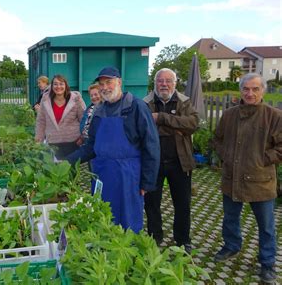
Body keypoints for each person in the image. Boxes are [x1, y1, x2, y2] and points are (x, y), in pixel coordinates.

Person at [67, 67, 160, 232]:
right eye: (101, 84)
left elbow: (151, 146)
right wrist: (67, 160)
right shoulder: (99, 111)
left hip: (128, 175)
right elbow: (91, 146)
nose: (104, 87)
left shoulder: (136, 107)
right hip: (101, 174)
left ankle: (128, 253)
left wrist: (147, 181)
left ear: (119, 82)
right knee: (103, 218)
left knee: (128, 220)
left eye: (108, 82)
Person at [213, 73, 281, 284]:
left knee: (266, 225)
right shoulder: (229, 115)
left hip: (261, 180)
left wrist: (262, 159)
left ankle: (268, 263)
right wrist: (226, 156)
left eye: (255, 89)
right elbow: (217, 139)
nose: (250, 93)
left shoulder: (274, 116)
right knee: (230, 218)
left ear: (263, 91)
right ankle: (231, 246)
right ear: (240, 91)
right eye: (246, 89)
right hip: (232, 178)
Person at [143, 68, 199, 254]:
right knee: (152, 204)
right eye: (160, 81)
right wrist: (176, 127)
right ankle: (154, 237)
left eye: (168, 81)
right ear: (155, 83)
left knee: (182, 205)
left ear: (175, 83)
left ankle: (183, 240)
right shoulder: (145, 103)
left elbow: (192, 125)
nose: (164, 84)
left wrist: (162, 118)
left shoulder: (184, 101)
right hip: (153, 162)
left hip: (179, 162)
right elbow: (143, 129)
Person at [35, 74, 85, 160]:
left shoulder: (76, 98)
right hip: (53, 143)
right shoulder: (45, 99)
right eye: (55, 84)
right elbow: (41, 121)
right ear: (52, 85)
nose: (58, 86)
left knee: (71, 171)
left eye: (61, 84)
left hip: (73, 142)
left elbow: (84, 119)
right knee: (55, 171)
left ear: (66, 85)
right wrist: (38, 139)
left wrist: (82, 137)